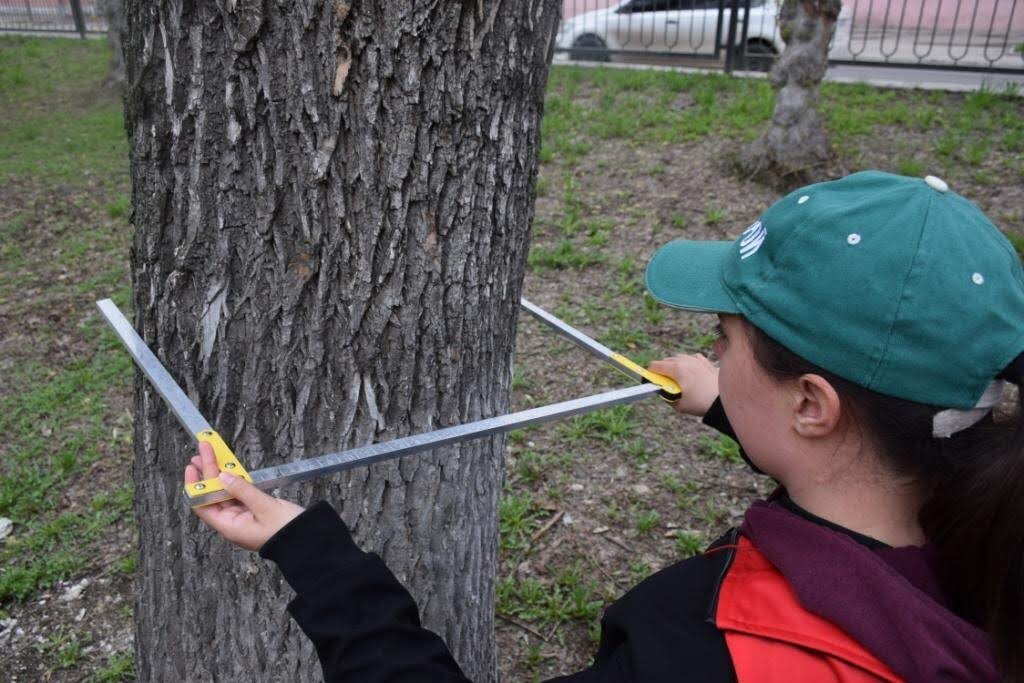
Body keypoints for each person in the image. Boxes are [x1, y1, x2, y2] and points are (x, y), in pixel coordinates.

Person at [185, 171, 1023, 682]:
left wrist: (313, 555)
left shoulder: (709, 650)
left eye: (723, 339)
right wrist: (729, 403)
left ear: (812, 406)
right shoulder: (987, 525)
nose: (710, 352)